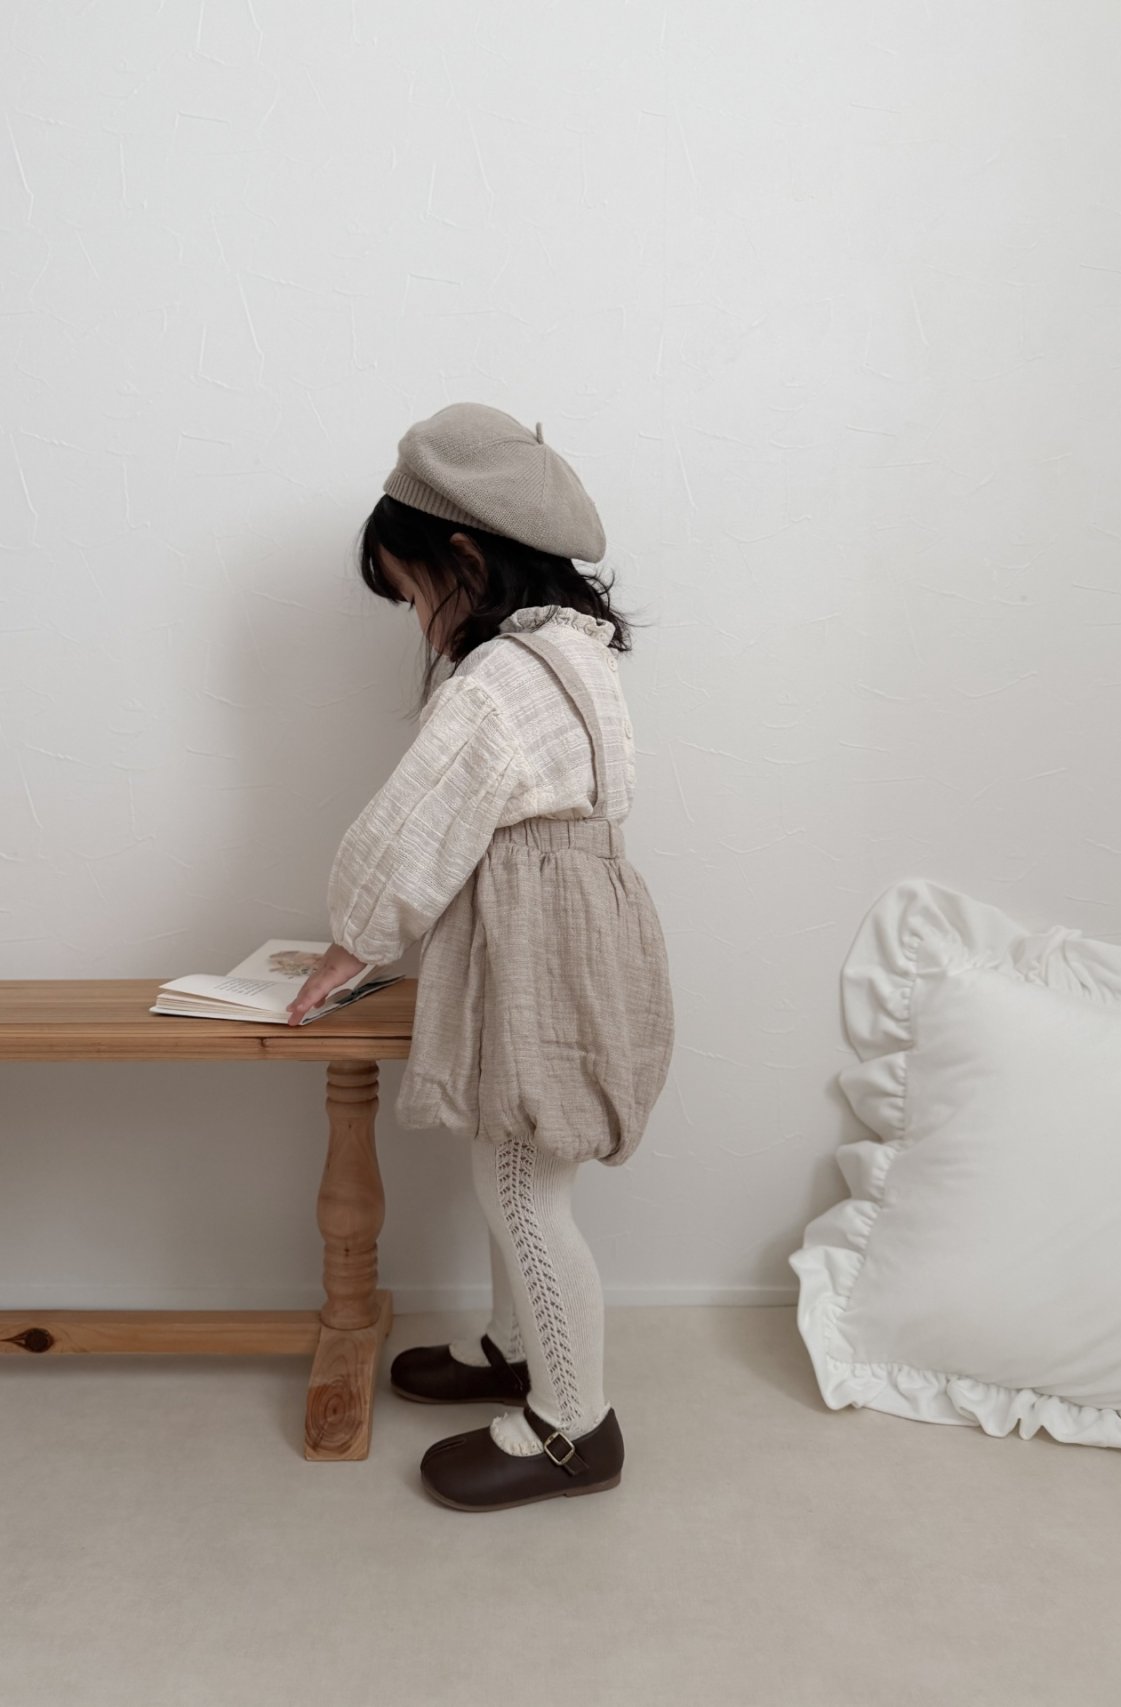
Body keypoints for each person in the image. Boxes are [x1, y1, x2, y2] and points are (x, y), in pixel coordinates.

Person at [286, 403, 675, 1512]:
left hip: (538, 939)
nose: (416, 621)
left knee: (517, 1181)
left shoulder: (500, 681)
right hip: (580, 926)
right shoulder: (577, 655)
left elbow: (414, 826)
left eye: (412, 594)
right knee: (520, 1148)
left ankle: (572, 1425)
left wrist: (352, 939)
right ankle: (515, 1346)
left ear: (464, 558)